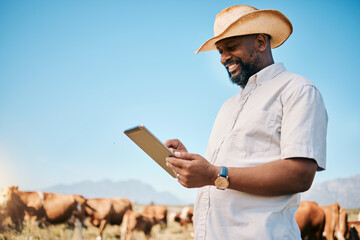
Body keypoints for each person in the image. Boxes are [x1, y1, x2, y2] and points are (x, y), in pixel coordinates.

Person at [165, 5, 328, 240]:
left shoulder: (298, 90)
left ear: (261, 42)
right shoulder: (227, 106)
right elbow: (228, 171)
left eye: (231, 47)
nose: (223, 58)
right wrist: (191, 164)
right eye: (220, 50)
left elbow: (300, 174)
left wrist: (213, 173)